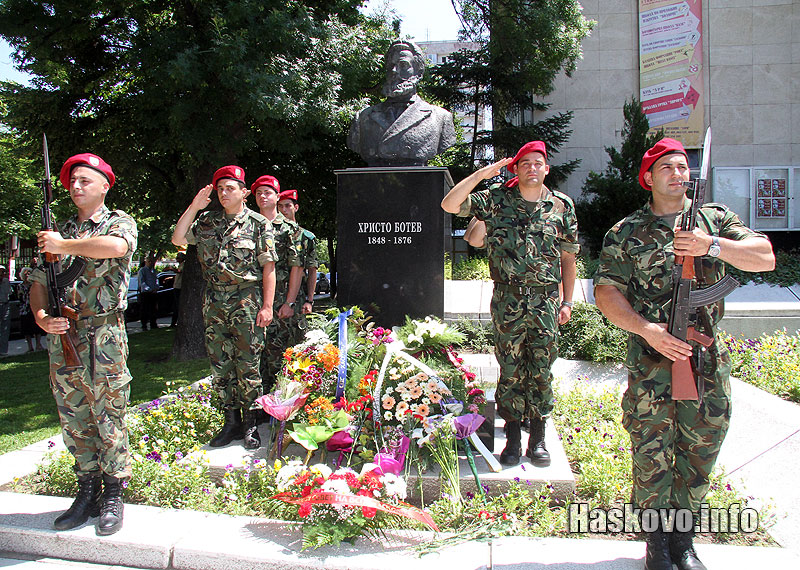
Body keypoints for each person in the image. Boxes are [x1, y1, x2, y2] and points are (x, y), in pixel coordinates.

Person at [593, 138, 775, 570]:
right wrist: (647, 330)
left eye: (683, 166)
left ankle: (683, 541)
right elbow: (606, 292)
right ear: (648, 178)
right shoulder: (626, 232)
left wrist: (711, 246)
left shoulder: (715, 220)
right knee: (651, 452)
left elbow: (765, 257)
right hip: (652, 362)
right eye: (667, 167)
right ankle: (656, 544)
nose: (679, 173)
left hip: (705, 362)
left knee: (700, 449)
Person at [441, 141, 579, 467]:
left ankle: (538, 439)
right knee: (511, 369)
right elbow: (449, 204)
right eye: (525, 163)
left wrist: (568, 301)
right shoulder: (497, 200)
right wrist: (483, 174)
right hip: (508, 299)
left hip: (546, 300)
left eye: (538, 162)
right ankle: (513, 440)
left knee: (542, 369)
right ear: (515, 169)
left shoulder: (561, 206)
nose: (532, 167)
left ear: (547, 169)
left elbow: (568, 257)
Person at [29, 152, 137, 536]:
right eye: (72, 181)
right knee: (74, 416)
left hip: (104, 335)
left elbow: (116, 248)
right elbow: (38, 281)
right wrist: (41, 317)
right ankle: (87, 491)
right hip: (64, 334)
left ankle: (113, 494)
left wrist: (64, 246)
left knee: (109, 414)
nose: (76, 186)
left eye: (84, 180)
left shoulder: (118, 222)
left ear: (104, 186)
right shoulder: (57, 231)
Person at [171, 165, 276, 450]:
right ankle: (231, 422)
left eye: (230, 188)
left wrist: (267, 306)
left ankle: (251, 422)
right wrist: (195, 206)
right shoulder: (206, 221)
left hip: (246, 299)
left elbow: (268, 267)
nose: (223, 193)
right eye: (219, 189)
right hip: (215, 300)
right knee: (221, 363)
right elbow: (178, 238)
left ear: (244, 192)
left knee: (248, 362)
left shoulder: (258, 223)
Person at [348, 40, 456, 166]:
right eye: (391, 66)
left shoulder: (440, 118)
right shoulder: (363, 117)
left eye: (403, 65)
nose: (394, 70)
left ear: (419, 72)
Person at [250, 175, 302, 393]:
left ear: (277, 196)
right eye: (258, 193)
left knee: (279, 355)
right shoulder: (247, 225)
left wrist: (289, 302)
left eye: (267, 192)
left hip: (280, 300)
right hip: (251, 299)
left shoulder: (289, 229)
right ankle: (257, 401)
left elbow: (296, 267)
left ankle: (280, 400)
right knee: (252, 355)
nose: (262, 197)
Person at [277, 188, 319, 318]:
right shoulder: (270, 232)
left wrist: (309, 300)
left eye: (287, 206)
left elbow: (312, 270)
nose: (284, 210)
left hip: (296, 299)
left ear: (296, 207)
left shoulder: (306, 236)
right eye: (280, 206)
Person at [19, 266, 45, 352]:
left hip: (33, 308)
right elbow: (20, 297)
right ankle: (30, 347)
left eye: (29, 273)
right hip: (24, 310)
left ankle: (38, 345)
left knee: (36, 328)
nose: (27, 275)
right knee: (26, 329)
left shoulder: (34, 285)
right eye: (25, 274)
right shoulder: (20, 286)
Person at [137, 255, 159, 330]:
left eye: (151, 261)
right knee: (144, 309)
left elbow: (156, 280)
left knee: (153, 309)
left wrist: (156, 288)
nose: (150, 263)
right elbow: (142, 282)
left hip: (153, 293)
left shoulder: (153, 271)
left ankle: (153, 324)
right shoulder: (142, 270)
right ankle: (144, 325)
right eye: (149, 261)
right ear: (146, 262)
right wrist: (149, 289)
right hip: (145, 293)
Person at [170, 251, 185, 327]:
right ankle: (174, 322)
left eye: (178, 258)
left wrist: (171, 269)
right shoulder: (180, 265)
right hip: (176, 286)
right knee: (175, 305)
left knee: (177, 305)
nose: (177, 259)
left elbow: (179, 271)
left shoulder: (184, 265)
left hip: (179, 287)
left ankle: (175, 322)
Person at [0, 265, 9, 356]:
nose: (2, 274)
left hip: (5, 304)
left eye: (3, 272)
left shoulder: (6, 282)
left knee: (5, 328)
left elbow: (8, 292)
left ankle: (3, 350)